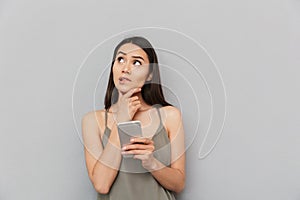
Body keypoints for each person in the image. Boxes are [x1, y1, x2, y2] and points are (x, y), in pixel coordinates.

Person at [81, 36, 185, 200]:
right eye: (120, 59)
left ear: (150, 75)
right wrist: (122, 119)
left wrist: (152, 163)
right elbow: (101, 184)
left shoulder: (170, 116)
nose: (126, 68)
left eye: (136, 62)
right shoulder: (93, 121)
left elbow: (179, 184)